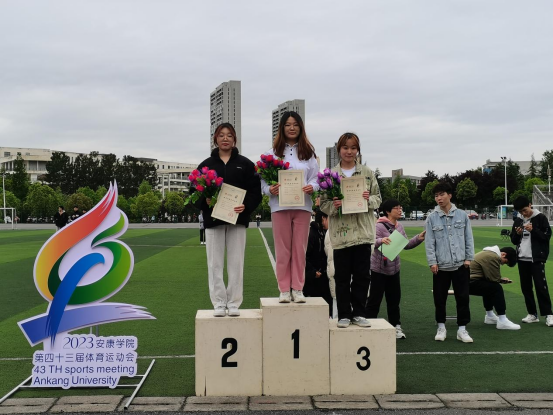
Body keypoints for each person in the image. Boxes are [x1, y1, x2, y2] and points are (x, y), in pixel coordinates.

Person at [196, 123, 262, 317]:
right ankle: (218, 302)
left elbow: (255, 192)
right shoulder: (206, 165)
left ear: (235, 139)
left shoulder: (246, 164)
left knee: (236, 263)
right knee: (214, 264)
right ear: (215, 139)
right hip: (213, 221)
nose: (225, 138)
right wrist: (205, 201)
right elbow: (194, 192)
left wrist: (246, 206)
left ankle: (233, 303)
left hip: (237, 220)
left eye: (229, 135)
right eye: (221, 135)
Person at [320, 132, 381, 328]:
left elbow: (378, 198)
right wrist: (334, 205)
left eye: (353, 148)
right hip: (341, 234)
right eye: (345, 147)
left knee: (362, 276)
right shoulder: (330, 175)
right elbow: (323, 204)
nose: (349, 151)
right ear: (339, 150)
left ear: (358, 150)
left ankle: (359, 313)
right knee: (342, 277)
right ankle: (344, 314)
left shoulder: (367, 173)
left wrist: (368, 200)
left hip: (363, 233)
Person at [261, 111, 319, 303]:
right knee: (283, 250)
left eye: (295, 124)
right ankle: (284, 289)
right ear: (282, 128)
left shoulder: (308, 153)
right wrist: (269, 189)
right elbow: (262, 181)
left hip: (303, 206)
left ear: (301, 127)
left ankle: (298, 288)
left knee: (300, 250)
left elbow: (315, 178)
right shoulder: (271, 154)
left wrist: (313, 187)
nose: (292, 128)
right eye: (288, 124)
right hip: (280, 207)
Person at [366, 199, 425, 339]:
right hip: (378, 269)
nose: (400, 210)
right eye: (396, 208)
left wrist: (418, 238)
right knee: (374, 300)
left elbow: (406, 245)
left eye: (400, 207)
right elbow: (370, 241)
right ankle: (369, 326)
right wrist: (381, 241)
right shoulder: (378, 226)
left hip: (394, 270)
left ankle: (396, 326)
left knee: (394, 300)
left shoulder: (400, 227)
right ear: (388, 211)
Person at [425, 182, 475, 343]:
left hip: (461, 265)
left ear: (450, 195)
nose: (438, 198)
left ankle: (462, 329)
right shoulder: (432, 218)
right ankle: (441, 327)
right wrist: (432, 262)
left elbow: (469, 238)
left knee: (463, 298)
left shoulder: (462, 215)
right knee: (439, 299)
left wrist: (468, 258)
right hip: (441, 266)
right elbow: (429, 242)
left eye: (441, 194)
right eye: (436, 195)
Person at [510, 196, 553, 326]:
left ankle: (549, 314)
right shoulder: (518, 220)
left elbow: (546, 237)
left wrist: (533, 230)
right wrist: (517, 234)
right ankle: (532, 314)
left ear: (530, 205)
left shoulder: (540, 218)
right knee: (526, 288)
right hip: (522, 258)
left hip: (537, 258)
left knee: (541, 287)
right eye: (520, 211)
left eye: (525, 210)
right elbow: (513, 240)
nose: (523, 213)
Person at [469, 246, 520, 330]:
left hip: (466, 282)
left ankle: (490, 316)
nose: (502, 264)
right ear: (503, 254)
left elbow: (489, 277)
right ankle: (502, 320)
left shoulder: (488, 253)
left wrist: (500, 279)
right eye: (505, 262)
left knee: (489, 286)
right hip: (468, 283)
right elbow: (493, 278)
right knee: (496, 288)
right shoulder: (493, 257)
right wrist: (500, 280)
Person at [304, 210, 333, 316]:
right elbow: (304, 256)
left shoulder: (325, 232)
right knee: (314, 310)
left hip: (324, 276)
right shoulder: (311, 234)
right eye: (330, 219)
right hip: (314, 278)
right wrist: (313, 272)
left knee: (327, 308)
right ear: (323, 219)